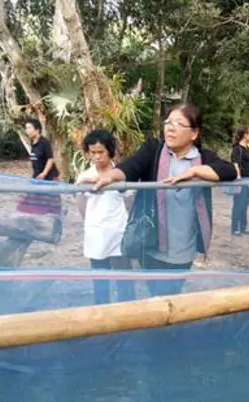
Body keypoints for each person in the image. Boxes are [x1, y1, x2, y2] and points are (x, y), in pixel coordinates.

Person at [90, 103, 237, 296]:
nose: (170, 127)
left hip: (182, 249)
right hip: (151, 244)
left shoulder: (202, 158)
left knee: (170, 294)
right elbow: (132, 165)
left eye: (178, 123)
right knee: (157, 294)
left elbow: (230, 170)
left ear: (194, 133)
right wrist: (111, 175)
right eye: (168, 122)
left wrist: (193, 172)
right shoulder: (154, 150)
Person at [75, 130, 135, 305]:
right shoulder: (85, 177)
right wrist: (92, 222)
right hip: (96, 234)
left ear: (110, 151)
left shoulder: (121, 175)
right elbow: (81, 204)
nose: (97, 156)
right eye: (93, 152)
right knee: (100, 279)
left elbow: (129, 202)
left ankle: (129, 315)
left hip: (119, 233)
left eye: (101, 152)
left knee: (125, 279)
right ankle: (102, 312)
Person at [16, 118, 62, 217]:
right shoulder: (33, 143)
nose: (27, 130)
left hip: (49, 177)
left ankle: (57, 221)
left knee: (52, 203)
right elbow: (35, 161)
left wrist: (44, 173)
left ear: (37, 130)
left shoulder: (44, 143)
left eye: (29, 128)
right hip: (37, 177)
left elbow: (50, 159)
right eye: (26, 128)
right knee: (31, 201)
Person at [230, 127, 249, 235]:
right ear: (244, 135)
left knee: (245, 203)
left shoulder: (247, 148)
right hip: (242, 179)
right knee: (238, 203)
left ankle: (243, 227)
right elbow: (235, 163)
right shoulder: (237, 149)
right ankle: (235, 228)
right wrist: (238, 178)